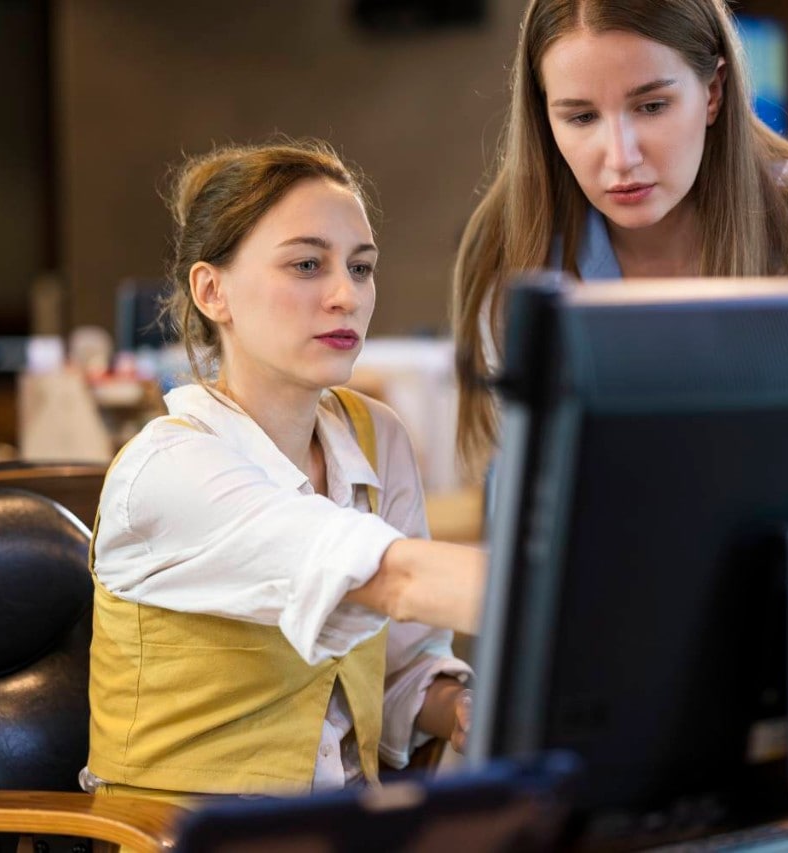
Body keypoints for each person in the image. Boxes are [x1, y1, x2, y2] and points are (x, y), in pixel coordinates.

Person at [82, 139, 485, 804]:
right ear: (213, 291)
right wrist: (590, 598)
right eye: (306, 264)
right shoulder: (169, 466)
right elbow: (395, 578)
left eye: (361, 268)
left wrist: (466, 708)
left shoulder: (377, 437)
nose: (344, 296)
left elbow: (402, 666)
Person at [452, 0, 788, 474]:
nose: (620, 158)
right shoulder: (511, 246)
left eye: (651, 106)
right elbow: (530, 482)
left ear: (714, 92)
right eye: (581, 118)